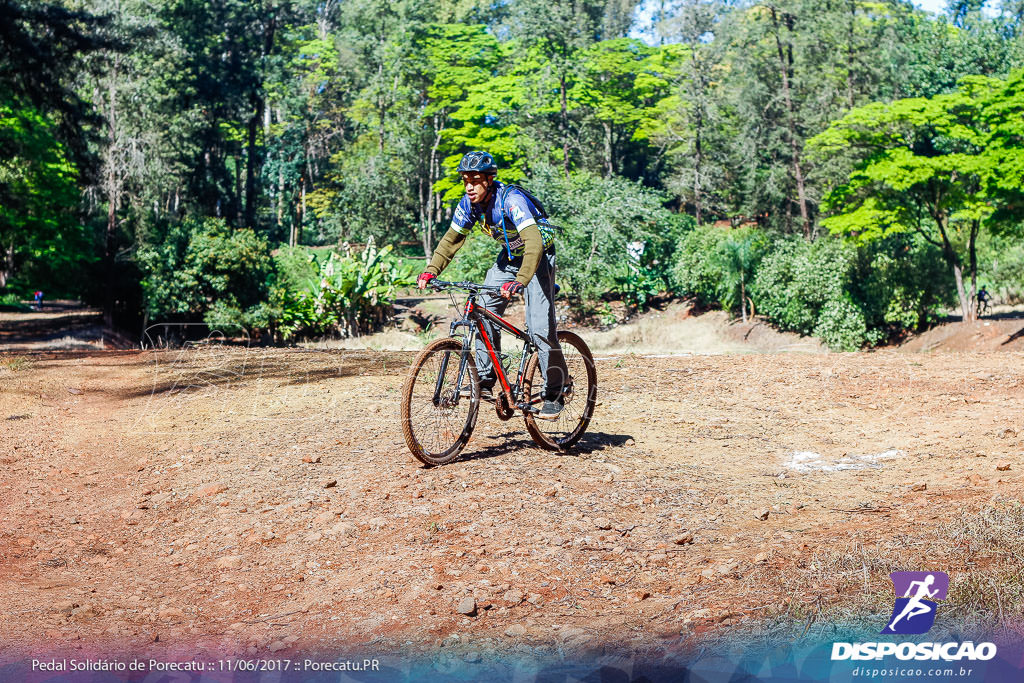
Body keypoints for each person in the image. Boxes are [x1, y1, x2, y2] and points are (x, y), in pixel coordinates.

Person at [417, 151, 568, 419]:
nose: (469, 187)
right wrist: (431, 271)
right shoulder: (469, 204)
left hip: (538, 257)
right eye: (465, 181)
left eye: (474, 181)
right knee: (484, 310)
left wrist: (521, 281)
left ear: (489, 180)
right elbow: (451, 240)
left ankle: (556, 391)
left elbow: (533, 243)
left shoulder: (511, 201)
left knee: (540, 328)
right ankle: (486, 381)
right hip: (509, 258)